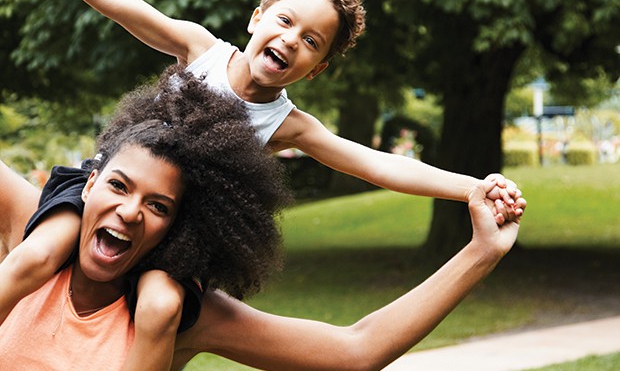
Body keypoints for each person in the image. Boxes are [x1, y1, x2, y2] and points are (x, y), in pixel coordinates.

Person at [0, 0, 525, 368]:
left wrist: (470, 188)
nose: (292, 39)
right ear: (256, 18)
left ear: (315, 69)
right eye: (284, 20)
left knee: (160, 304)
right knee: (40, 254)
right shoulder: (200, 49)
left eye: (313, 41)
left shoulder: (289, 126)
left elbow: (376, 163)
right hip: (98, 201)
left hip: (180, 242)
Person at [0, 69, 524, 371]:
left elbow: (356, 351)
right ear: (89, 182)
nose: (131, 212)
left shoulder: (176, 313)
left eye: (159, 206)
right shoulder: (35, 231)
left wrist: (482, 252)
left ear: (178, 226)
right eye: (118, 185)